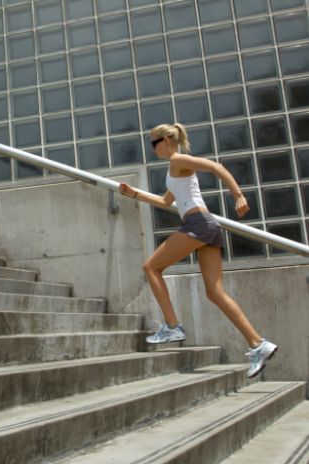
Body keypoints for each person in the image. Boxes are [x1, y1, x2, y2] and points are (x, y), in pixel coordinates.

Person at [118, 123, 277, 378]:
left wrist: (237, 195)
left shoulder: (179, 158)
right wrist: (134, 193)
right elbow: (165, 201)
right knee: (215, 293)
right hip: (208, 226)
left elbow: (215, 167)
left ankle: (172, 326)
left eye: (153, 143)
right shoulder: (174, 169)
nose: (152, 149)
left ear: (167, 140)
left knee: (151, 267)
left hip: (198, 224)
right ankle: (258, 344)